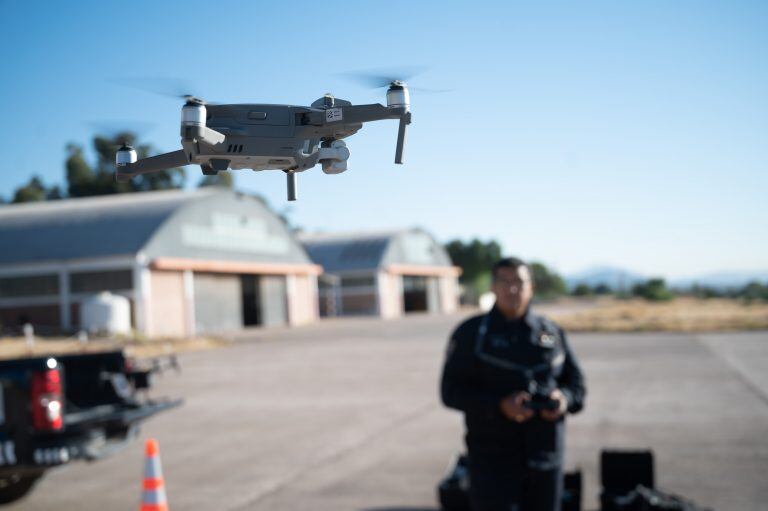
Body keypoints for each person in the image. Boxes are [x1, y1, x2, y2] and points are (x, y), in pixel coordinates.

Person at [440, 257, 586, 511]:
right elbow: (450, 392)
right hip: (492, 462)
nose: (512, 289)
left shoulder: (549, 333)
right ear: (493, 287)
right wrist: (499, 405)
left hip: (545, 460)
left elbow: (576, 386)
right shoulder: (472, 334)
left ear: (532, 287)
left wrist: (563, 400)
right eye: (504, 281)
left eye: (519, 281)